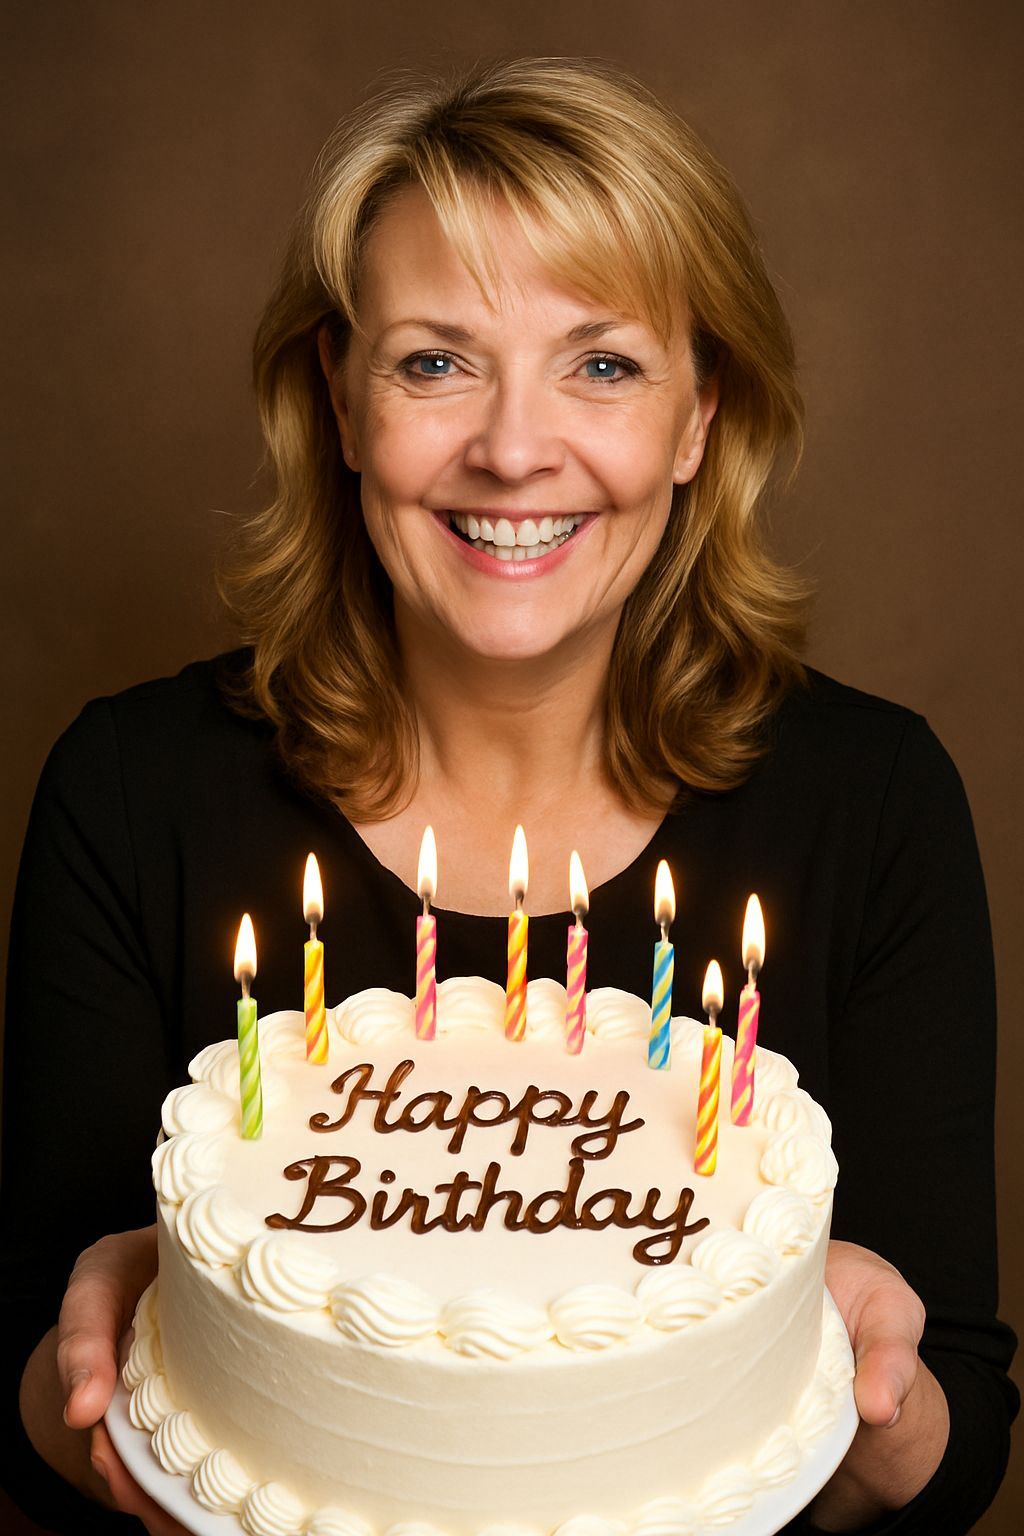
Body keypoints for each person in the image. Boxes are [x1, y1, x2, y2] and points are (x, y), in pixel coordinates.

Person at [2, 55, 1016, 1536]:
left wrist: (868, 1390)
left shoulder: (873, 801)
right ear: (342, 404)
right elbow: (33, 1405)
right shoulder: (130, 790)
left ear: (696, 420)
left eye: (601, 364)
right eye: (435, 361)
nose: (515, 446)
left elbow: (962, 1431)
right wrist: (76, 1383)